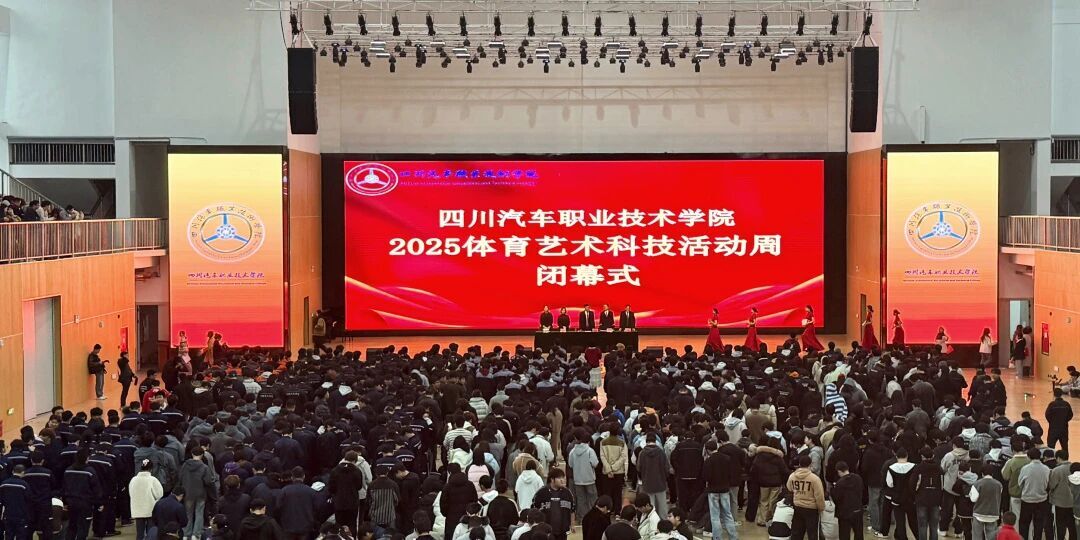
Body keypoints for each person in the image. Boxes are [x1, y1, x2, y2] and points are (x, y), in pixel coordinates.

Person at [179, 446, 217, 540]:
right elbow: (208, 481)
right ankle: (196, 534)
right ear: (202, 455)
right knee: (199, 513)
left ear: (192, 454)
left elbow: (180, 478)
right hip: (200, 494)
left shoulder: (185, 465)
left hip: (187, 493)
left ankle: (186, 534)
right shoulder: (204, 467)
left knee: (188, 514)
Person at [787, 455, 825, 540]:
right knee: (813, 534)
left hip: (797, 506)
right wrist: (821, 508)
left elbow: (789, 488)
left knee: (797, 533)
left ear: (799, 464)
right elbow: (819, 496)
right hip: (811, 509)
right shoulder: (814, 479)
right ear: (810, 464)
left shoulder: (792, 476)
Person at [532, 468, 575, 540]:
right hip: (546, 531)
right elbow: (534, 510)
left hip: (563, 531)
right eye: (559, 478)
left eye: (563, 478)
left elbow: (572, 510)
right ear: (552, 479)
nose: (562, 480)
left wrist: (572, 525)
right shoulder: (541, 492)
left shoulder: (567, 492)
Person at [1017, 448, 1051, 540]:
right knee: (1039, 525)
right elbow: (1048, 483)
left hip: (1027, 500)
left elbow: (1020, 483)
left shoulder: (1025, 468)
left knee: (1024, 524)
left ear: (1029, 456)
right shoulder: (1046, 469)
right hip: (1042, 500)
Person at [130, 459, 165, 540]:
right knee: (150, 532)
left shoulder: (133, 480)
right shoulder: (152, 480)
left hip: (137, 510)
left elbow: (131, 493)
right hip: (150, 509)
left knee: (139, 533)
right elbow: (159, 494)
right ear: (151, 469)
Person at [567, 433, 599, 520]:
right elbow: (595, 463)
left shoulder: (573, 451)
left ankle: (582, 518)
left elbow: (570, 464)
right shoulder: (590, 451)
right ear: (588, 442)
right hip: (589, 479)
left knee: (581, 499)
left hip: (577, 479)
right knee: (592, 498)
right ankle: (594, 517)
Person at [970, 463, 1002, 540]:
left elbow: (973, 499)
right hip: (993, 513)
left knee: (977, 536)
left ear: (982, 473)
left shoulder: (977, 483)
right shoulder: (999, 484)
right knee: (991, 536)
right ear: (992, 473)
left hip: (979, 513)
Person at [832, 462, 864, 540]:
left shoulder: (839, 483)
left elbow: (836, 498)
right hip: (857, 509)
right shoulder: (858, 478)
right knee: (859, 533)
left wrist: (833, 490)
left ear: (839, 471)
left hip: (844, 513)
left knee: (844, 534)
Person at [1, 464, 32, 540]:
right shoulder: (24, 485)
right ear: (23, 472)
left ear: (12, 471)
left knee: (8, 536)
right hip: (21, 515)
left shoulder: (4, 484)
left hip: (8, 514)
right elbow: (29, 499)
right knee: (21, 536)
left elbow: (1, 499)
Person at [1045, 389, 1073, 453]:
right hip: (1064, 429)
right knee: (1065, 447)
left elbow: (1047, 415)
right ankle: (1065, 458)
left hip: (1053, 429)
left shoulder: (1052, 404)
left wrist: (1052, 422)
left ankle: (1050, 458)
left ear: (1054, 394)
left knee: (1050, 447)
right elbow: (1070, 415)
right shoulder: (1066, 404)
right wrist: (1064, 421)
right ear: (1061, 394)